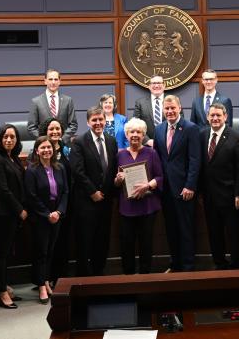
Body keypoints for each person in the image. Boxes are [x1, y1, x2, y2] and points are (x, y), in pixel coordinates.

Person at [69, 107, 118, 276]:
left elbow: (111, 169)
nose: (98, 123)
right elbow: (77, 171)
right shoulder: (79, 142)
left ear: (105, 121)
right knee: (85, 240)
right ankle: (84, 277)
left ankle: (99, 274)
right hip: (86, 201)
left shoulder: (111, 141)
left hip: (106, 200)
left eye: (100, 119)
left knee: (102, 239)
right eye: (94, 120)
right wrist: (92, 192)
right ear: (88, 122)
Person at [155, 94, 201, 272]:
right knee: (171, 229)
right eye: (167, 109)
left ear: (180, 108)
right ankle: (175, 264)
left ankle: (188, 267)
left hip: (184, 189)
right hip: (165, 189)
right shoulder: (159, 129)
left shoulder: (191, 128)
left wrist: (190, 185)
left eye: (173, 108)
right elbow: (157, 158)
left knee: (186, 229)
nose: (170, 111)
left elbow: (195, 160)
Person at [198, 103, 239, 269]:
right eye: (212, 115)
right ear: (207, 117)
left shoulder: (236, 137)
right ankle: (219, 263)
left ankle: (236, 265)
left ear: (225, 117)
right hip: (209, 196)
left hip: (230, 196)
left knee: (233, 233)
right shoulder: (202, 134)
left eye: (218, 115)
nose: (215, 118)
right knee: (214, 232)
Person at [114, 118, 164, 274]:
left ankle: (145, 275)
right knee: (126, 243)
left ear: (143, 135)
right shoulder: (120, 155)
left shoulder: (152, 153)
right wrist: (117, 180)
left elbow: (160, 177)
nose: (135, 135)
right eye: (131, 132)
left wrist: (148, 185)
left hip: (147, 206)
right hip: (127, 207)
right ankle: (128, 275)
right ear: (126, 135)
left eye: (138, 132)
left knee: (146, 243)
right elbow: (115, 183)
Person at [0, 124, 26, 310]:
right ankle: (1, 292)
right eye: (5, 137)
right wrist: (20, 210)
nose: (9, 140)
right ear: (0, 139)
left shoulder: (14, 158)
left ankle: (5, 287)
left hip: (13, 215)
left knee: (8, 254)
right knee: (1, 255)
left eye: (12, 137)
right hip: (3, 214)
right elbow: (2, 190)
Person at [25, 136, 69, 304]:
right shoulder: (31, 170)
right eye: (42, 148)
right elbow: (31, 196)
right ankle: (41, 285)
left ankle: (47, 280)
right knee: (41, 252)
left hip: (56, 215)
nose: (46, 150)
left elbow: (66, 191)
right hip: (40, 217)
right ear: (37, 150)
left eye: (49, 147)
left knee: (51, 250)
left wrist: (58, 212)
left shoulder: (60, 168)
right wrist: (47, 214)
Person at [41, 117, 72, 282]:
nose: (55, 132)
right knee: (47, 245)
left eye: (57, 129)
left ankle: (62, 277)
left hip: (64, 205)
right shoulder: (40, 149)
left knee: (63, 242)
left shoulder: (68, 149)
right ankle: (46, 278)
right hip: (46, 208)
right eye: (51, 129)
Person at [27, 69, 77, 141]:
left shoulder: (68, 100)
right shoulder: (36, 102)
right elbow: (31, 128)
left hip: (63, 144)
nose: (53, 82)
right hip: (45, 147)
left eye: (56, 79)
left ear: (59, 81)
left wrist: (62, 139)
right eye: (50, 79)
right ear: (45, 81)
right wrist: (44, 140)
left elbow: (73, 125)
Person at [132, 75, 166, 145]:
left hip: (169, 146)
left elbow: (179, 122)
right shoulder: (140, 103)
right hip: (147, 146)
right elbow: (136, 124)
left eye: (159, 83)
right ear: (149, 86)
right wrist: (147, 140)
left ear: (164, 85)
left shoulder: (173, 101)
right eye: (153, 83)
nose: (156, 86)